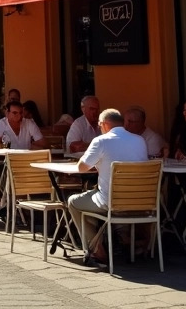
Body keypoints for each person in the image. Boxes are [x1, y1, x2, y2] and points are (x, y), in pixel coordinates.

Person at [68, 108, 148, 263]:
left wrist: (98, 162)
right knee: (94, 195)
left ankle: (96, 249)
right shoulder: (140, 140)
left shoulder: (101, 141)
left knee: (73, 202)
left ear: (104, 124)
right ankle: (120, 241)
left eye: (99, 125)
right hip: (141, 201)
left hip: (111, 202)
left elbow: (81, 167)